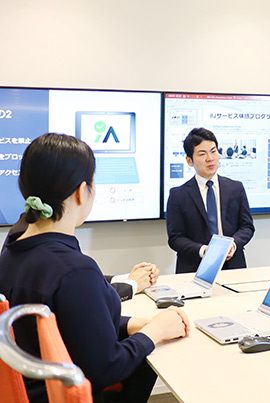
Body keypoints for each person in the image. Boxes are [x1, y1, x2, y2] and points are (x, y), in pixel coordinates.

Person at [0, 133, 190, 402]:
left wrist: (132, 324)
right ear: (81, 191)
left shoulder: (13, 247)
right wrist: (155, 332)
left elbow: (69, 324)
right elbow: (106, 369)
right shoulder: (75, 271)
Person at [2, 213, 158, 302]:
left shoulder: (19, 233)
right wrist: (132, 284)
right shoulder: (69, 262)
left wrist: (128, 278)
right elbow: (87, 296)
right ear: (81, 191)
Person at [166, 128, 255, 273]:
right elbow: (175, 238)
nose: (210, 158)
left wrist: (232, 244)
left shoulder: (235, 188)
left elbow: (247, 227)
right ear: (189, 161)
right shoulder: (178, 195)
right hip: (194, 267)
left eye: (213, 151)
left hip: (233, 266)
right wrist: (203, 250)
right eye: (202, 154)